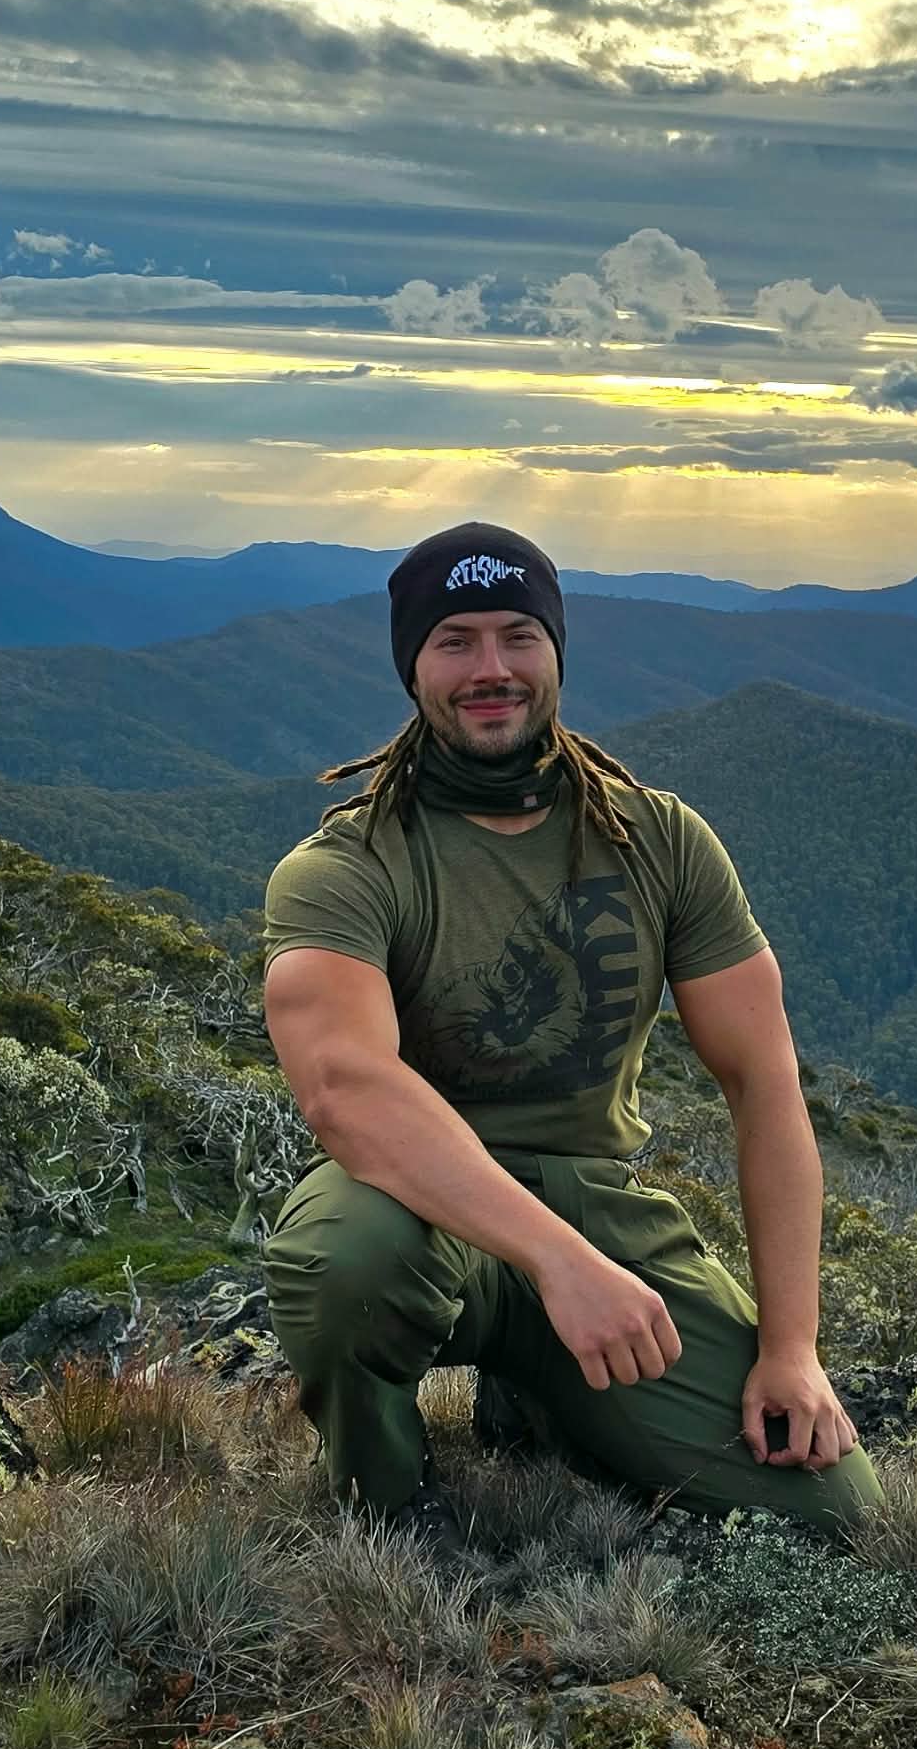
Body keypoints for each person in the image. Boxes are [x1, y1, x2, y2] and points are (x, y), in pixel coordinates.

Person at [259, 519, 884, 1545]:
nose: (490, 667)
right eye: (454, 640)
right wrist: (561, 1265)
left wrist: (793, 1346)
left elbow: (765, 1081)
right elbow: (348, 1090)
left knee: (834, 1512)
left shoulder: (660, 840)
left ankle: (544, 1393)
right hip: (418, 1202)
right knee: (345, 1258)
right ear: (412, 667)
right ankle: (387, 1500)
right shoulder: (348, 868)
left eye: (518, 634)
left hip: (597, 1204)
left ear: (556, 649)